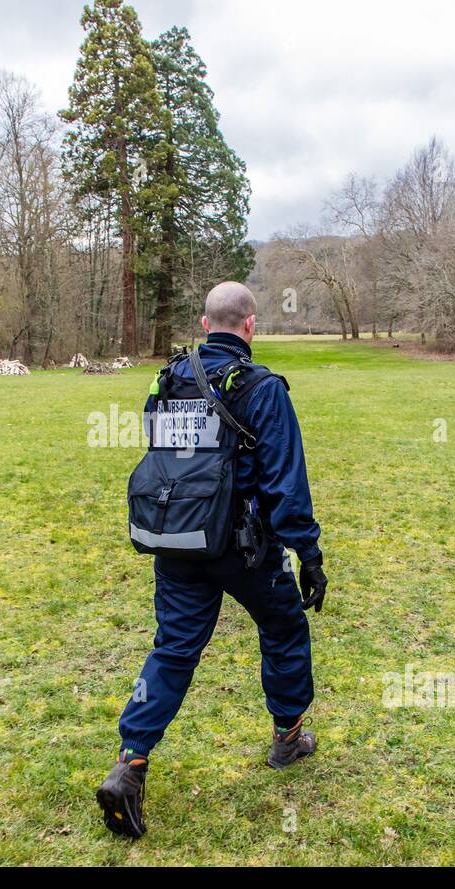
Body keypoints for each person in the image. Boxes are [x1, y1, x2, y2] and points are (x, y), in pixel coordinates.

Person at [96, 280, 327, 839]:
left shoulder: (168, 379)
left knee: (173, 649)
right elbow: (284, 483)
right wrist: (308, 554)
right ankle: (288, 736)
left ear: (205, 325)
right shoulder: (263, 388)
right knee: (284, 627)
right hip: (245, 549)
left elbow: (162, 455)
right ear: (250, 327)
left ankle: (131, 761)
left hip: (178, 540)